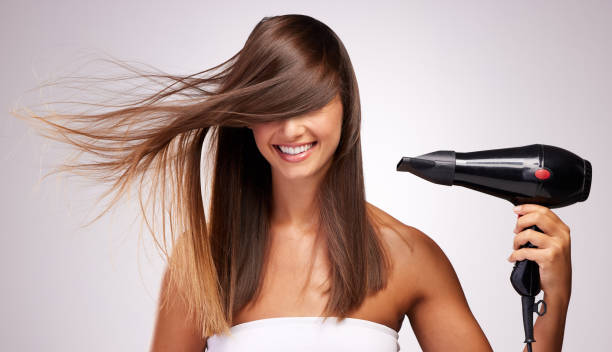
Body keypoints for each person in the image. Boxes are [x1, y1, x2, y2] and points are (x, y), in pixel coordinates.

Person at [13, 14, 572, 352]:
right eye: (272, 107)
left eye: (310, 104)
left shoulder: (407, 257)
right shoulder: (203, 263)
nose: (291, 128)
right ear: (245, 117)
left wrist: (556, 300)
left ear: (346, 108)